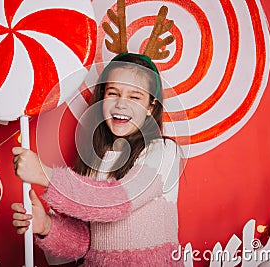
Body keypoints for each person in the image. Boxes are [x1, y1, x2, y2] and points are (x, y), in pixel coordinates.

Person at [11, 53, 185, 266]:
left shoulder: (163, 151)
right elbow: (86, 243)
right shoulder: (96, 161)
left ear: (151, 107)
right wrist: (46, 226)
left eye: (135, 97)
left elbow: (115, 202)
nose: (121, 104)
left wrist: (45, 174)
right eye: (113, 93)